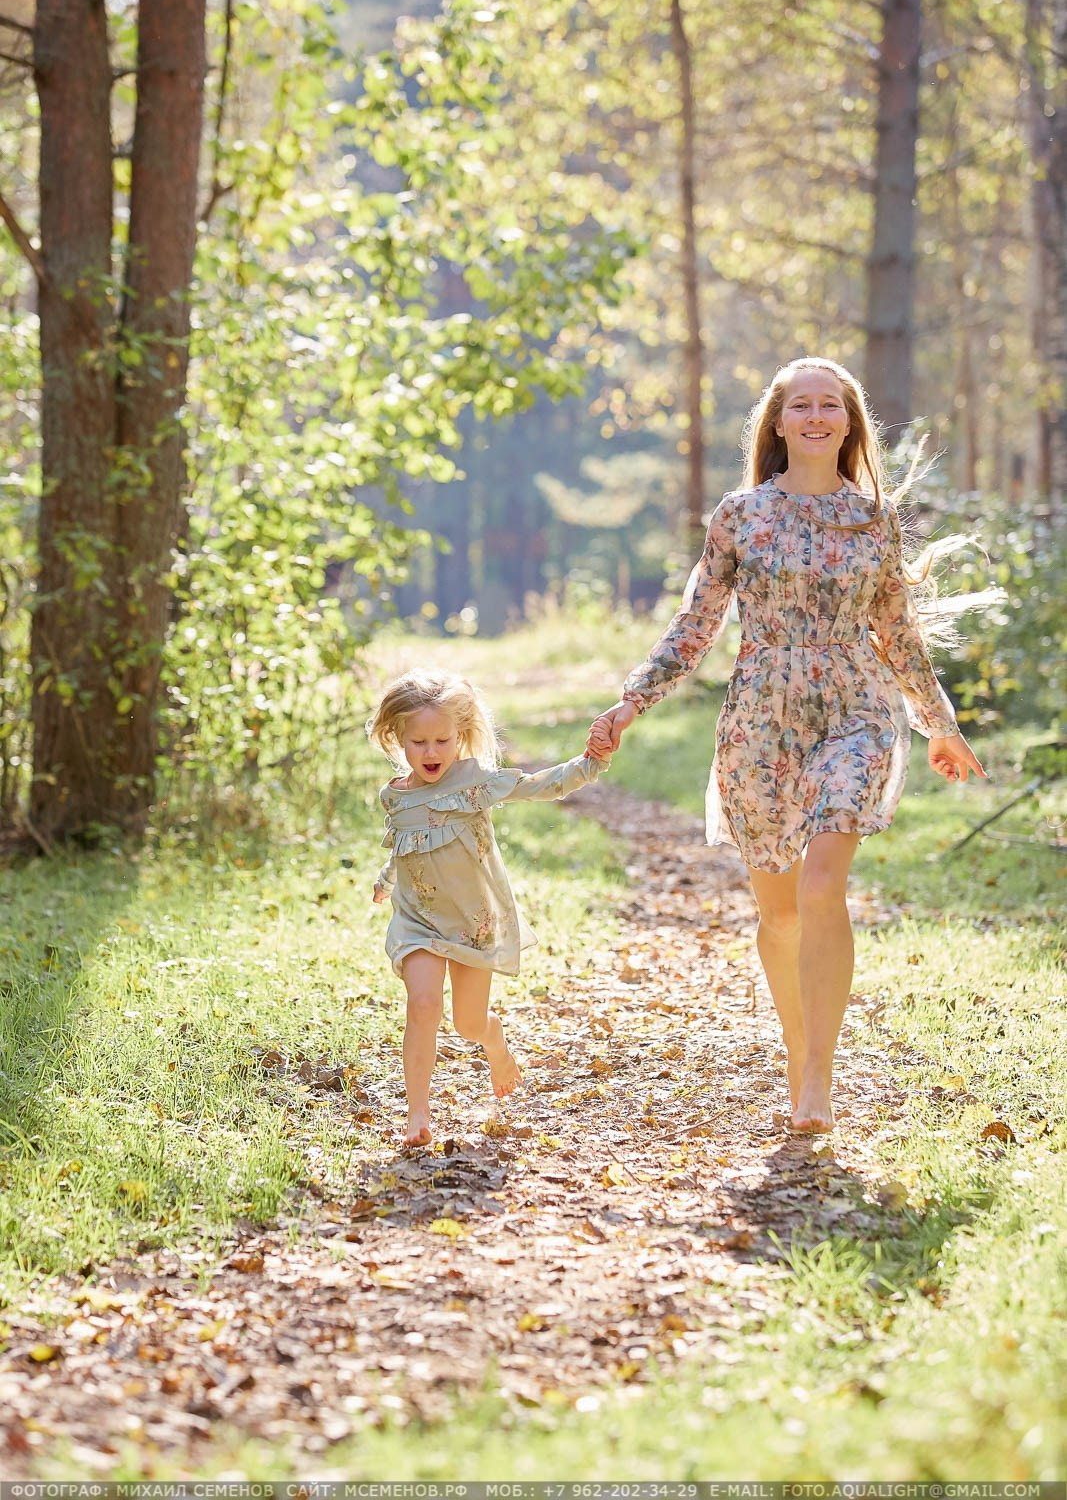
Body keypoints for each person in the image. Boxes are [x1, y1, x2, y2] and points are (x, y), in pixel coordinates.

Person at [587, 357, 985, 1134]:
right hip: (760, 717)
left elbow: (895, 633)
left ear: (847, 422)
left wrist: (938, 723)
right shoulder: (740, 515)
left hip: (855, 709)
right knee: (778, 911)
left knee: (819, 885)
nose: (813, 416)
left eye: (828, 405)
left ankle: (816, 1078)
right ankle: (795, 1046)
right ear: (776, 424)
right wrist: (632, 698)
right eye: (798, 405)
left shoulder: (873, 519)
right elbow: (696, 624)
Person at [369, 667, 609, 1147]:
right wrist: (385, 880)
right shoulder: (393, 796)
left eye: (442, 740)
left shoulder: (474, 780)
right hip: (417, 919)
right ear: (398, 738)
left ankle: (494, 1043)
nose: (431, 753)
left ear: (459, 735)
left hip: (473, 923)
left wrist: (591, 762)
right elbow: (405, 846)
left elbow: (540, 785)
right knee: (422, 1003)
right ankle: (418, 1115)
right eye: (419, 743)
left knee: (468, 1023)